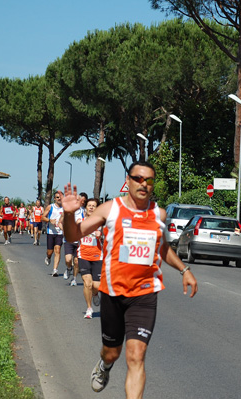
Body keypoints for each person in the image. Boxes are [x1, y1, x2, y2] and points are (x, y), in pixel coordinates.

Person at [62, 161, 198, 398]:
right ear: (128, 180)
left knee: (136, 355)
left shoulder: (159, 214)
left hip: (145, 294)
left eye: (149, 180)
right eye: (138, 179)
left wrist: (183, 269)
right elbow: (74, 234)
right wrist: (68, 214)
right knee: (112, 352)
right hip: (113, 292)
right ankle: (104, 365)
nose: (144, 184)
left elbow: (163, 248)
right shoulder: (110, 209)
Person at [76, 197, 102, 318]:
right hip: (83, 255)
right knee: (87, 283)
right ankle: (89, 308)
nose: (91, 207)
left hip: (97, 256)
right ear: (85, 208)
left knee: (96, 286)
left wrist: (101, 235)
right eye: (89, 205)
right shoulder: (80, 221)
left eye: (94, 206)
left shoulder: (101, 222)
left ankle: (95, 294)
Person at [61, 192, 88, 286]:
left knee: (76, 261)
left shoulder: (86, 212)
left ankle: (74, 279)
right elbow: (61, 222)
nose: (82, 202)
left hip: (79, 240)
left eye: (84, 201)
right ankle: (69, 269)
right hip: (69, 239)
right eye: (81, 200)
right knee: (68, 259)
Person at [42, 191, 64, 277]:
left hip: (60, 232)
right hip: (51, 232)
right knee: (50, 252)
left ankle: (55, 270)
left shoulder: (65, 208)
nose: (59, 199)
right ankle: (48, 257)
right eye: (57, 197)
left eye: (60, 197)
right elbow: (42, 217)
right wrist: (49, 220)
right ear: (54, 198)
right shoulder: (50, 207)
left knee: (58, 250)